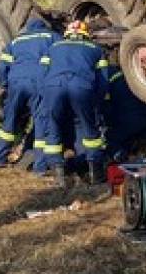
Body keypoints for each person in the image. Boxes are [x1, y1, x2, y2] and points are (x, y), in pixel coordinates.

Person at [39, 20, 110, 186]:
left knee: (53, 127)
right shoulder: (96, 49)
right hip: (82, 87)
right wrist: (95, 104)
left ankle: (59, 175)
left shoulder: (53, 48)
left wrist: (46, 97)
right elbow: (103, 82)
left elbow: (42, 74)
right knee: (89, 129)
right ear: (86, 35)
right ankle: (95, 174)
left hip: (53, 86)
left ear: (67, 34)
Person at [0, 16, 58, 167]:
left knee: (9, 123)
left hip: (16, 84)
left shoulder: (15, 41)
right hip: (39, 83)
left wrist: (5, 84)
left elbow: (2, 67)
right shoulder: (52, 37)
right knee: (41, 124)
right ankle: (39, 167)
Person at [104, 63, 146, 163]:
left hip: (130, 122)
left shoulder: (104, 80)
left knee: (108, 139)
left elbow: (106, 110)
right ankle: (140, 151)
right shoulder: (127, 77)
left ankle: (122, 158)